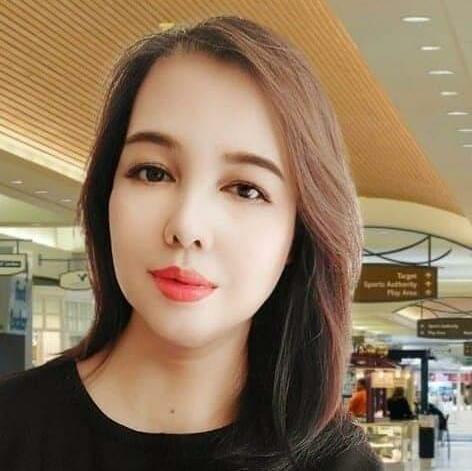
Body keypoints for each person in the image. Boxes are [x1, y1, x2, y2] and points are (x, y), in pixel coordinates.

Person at [0, 16, 383, 471]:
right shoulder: (12, 428)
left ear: (297, 235)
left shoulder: (337, 463)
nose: (186, 225)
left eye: (245, 189)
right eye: (153, 172)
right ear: (107, 195)